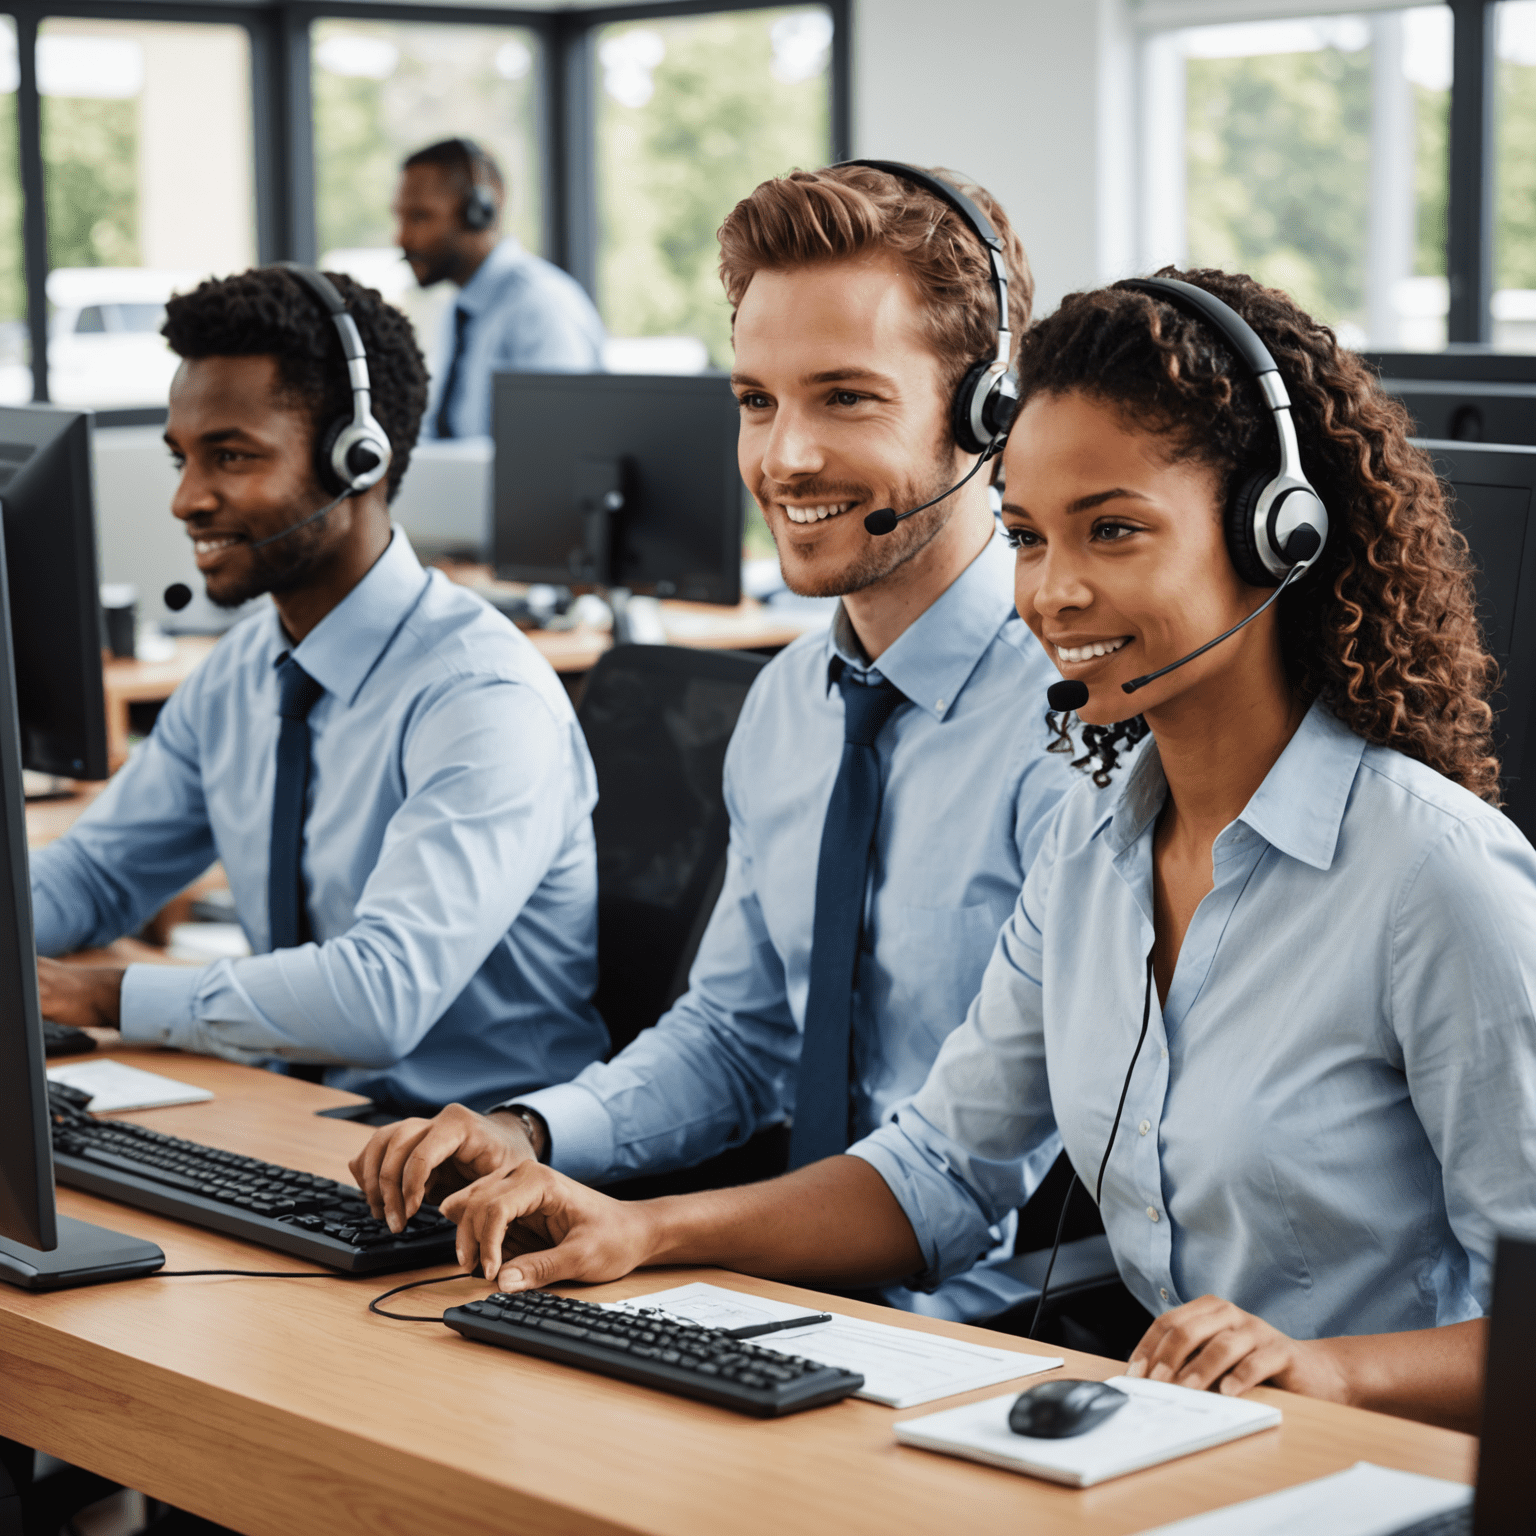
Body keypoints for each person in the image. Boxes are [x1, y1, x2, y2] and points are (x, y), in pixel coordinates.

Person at [388, 269, 1536, 1432]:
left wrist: (1332, 1371)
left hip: (1377, 1483)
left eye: (1116, 530)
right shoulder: (1094, 844)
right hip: (1172, 1456)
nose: (1053, 592)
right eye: (1029, 537)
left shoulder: (1432, 878)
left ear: (1277, 534)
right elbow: (942, 1168)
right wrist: (642, 1227)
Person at [352, 162, 1077, 1321]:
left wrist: (650, 1234)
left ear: (989, 411)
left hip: (1003, 1331)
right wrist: (530, 1128)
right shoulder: (790, 703)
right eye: (755, 400)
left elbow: (971, 1179)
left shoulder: (1078, 731)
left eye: (846, 397)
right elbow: (740, 1039)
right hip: (784, 1274)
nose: (783, 459)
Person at [32, 266, 608, 1116]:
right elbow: (94, 875)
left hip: (475, 1170)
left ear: (358, 460)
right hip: (299, 1124)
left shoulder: (480, 698)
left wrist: (93, 995)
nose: (187, 500)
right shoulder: (245, 669)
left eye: (230, 456)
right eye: (181, 458)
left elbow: (380, 996)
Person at [394, 137, 605, 439]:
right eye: (399, 217)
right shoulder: (458, 309)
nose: (401, 238)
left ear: (479, 212)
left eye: (419, 216)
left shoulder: (539, 307)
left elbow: (563, 449)